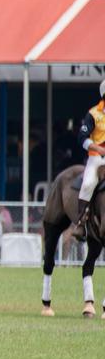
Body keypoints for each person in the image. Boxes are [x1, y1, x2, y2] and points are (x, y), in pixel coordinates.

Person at [70, 79, 105, 239]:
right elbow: (82, 137)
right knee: (89, 183)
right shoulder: (93, 114)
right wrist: (96, 148)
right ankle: (81, 223)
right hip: (97, 158)